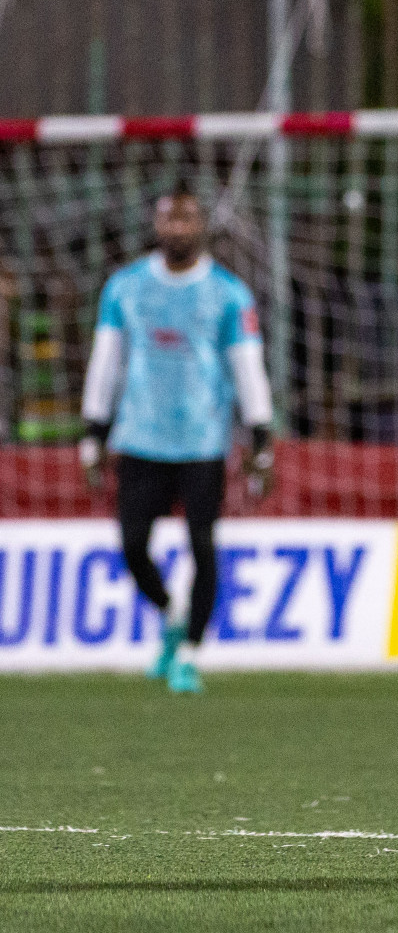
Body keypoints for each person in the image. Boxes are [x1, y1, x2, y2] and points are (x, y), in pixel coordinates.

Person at [79, 187, 275, 694]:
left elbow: (247, 366)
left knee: (202, 545)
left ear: (202, 224)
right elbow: (107, 362)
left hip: (202, 442)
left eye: (187, 217)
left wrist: (261, 435)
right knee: (131, 545)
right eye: (169, 217)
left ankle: (189, 652)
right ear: (156, 224)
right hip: (139, 436)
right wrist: (92, 431)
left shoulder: (229, 294)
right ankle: (171, 613)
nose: (177, 227)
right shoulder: (125, 288)